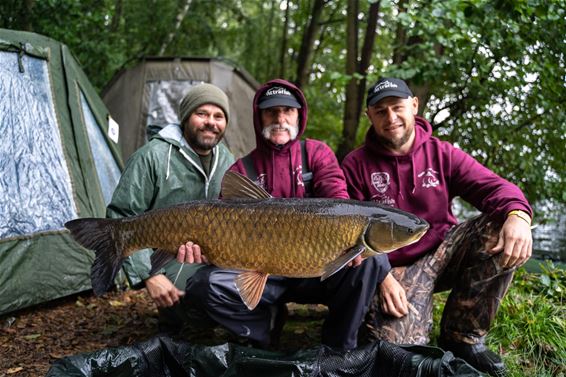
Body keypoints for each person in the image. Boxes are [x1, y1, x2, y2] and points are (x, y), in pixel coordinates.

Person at [177, 79, 392, 351]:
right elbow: (222, 233)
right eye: (271, 111)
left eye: (287, 111)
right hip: (261, 271)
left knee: (371, 260)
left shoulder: (316, 153)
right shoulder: (241, 170)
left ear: (299, 116)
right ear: (259, 117)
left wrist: (379, 267)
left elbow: (340, 201)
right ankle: (261, 330)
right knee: (203, 284)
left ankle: (339, 348)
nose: (280, 118)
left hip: (318, 267)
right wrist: (205, 248)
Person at [341, 77, 533, 376]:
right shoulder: (355, 165)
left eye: (397, 107)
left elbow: (495, 188)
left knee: (500, 222)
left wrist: (518, 216)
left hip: (444, 251)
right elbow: (348, 233)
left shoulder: (442, 153)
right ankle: (411, 317)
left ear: (414, 106)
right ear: (370, 115)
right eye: (380, 111)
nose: (390, 118)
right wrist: (382, 275)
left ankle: (463, 336)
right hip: (395, 268)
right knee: (400, 352)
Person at [106, 83, 235, 332]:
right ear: (186, 117)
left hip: (219, 254)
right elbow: (122, 216)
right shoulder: (151, 156)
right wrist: (149, 275)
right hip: (166, 258)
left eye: (218, 116)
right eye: (202, 114)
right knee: (187, 319)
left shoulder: (227, 159)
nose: (211, 122)